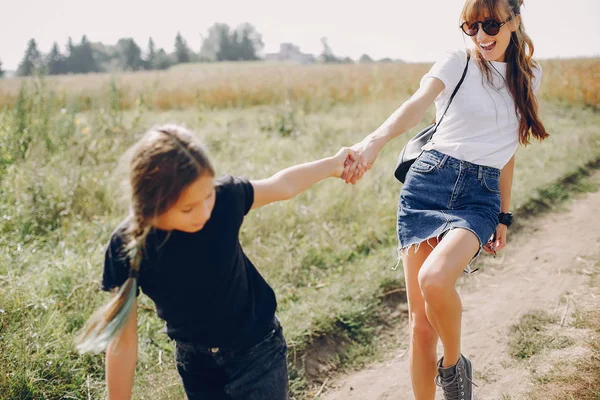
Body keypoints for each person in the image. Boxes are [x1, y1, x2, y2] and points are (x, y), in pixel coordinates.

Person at [341, 0, 548, 398]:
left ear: (514, 22)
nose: (481, 36)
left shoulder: (529, 75)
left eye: (490, 25)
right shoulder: (458, 61)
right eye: (471, 27)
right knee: (420, 326)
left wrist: (504, 213)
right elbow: (416, 106)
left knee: (434, 280)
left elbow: (506, 150)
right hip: (427, 186)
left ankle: (453, 367)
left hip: (479, 198)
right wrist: (374, 142)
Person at [76, 124, 361, 400]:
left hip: (258, 353)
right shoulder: (127, 246)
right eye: (187, 208)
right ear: (152, 205)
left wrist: (333, 165)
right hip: (197, 366)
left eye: (208, 195)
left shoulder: (226, 199)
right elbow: (123, 343)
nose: (203, 212)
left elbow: (282, 185)